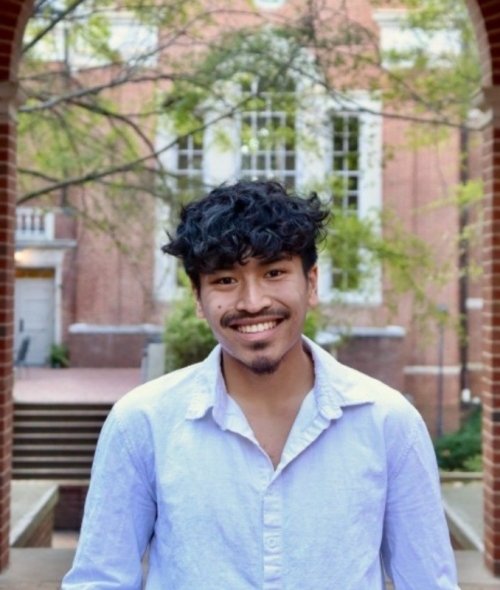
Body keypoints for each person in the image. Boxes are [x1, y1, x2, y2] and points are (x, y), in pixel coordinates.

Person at [62, 180, 459, 589]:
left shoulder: (389, 422)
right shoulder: (141, 423)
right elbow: (100, 581)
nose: (252, 302)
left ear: (312, 282)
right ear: (198, 298)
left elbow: (429, 582)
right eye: (225, 280)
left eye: (273, 272)